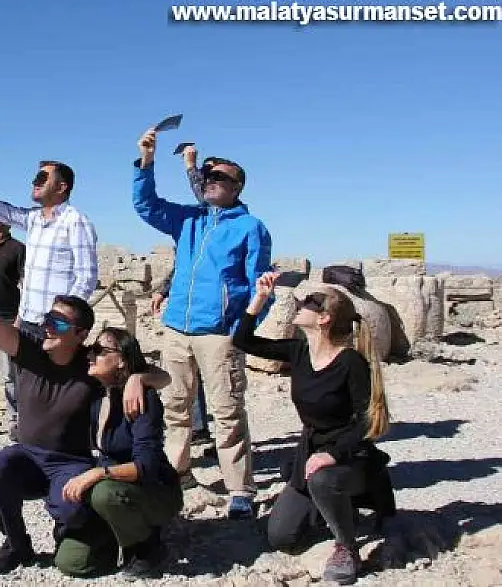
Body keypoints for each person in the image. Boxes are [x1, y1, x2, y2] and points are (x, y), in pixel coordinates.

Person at [0, 236, 168, 575]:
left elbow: (162, 377)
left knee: (73, 514)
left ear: (80, 333)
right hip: (28, 455)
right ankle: (17, 545)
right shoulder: (27, 349)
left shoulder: (91, 364)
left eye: (58, 323)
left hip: (69, 463)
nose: (47, 327)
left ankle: (89, 534)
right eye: (47, 319)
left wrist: (138, 379)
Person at [131, 127, 274, 519]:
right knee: (176, 407)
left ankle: (240, 490)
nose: (210, 181)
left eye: (219, 177)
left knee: (227, 412)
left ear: (237, 187)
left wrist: (240, 331)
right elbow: (146, 206)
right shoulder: (189, 219)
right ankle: (178, 474)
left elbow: (259, 285)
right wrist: (147, 161)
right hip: (177, 329)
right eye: (207, 176)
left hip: (218, 335)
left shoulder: (250, 228)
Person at [233, 273, 395, 586]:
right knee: (282, 536)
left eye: (310, 302)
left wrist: (332, 455)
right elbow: (243, 341)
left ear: (324, 318)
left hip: (349, 455)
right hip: (310, 451)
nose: (301, 304)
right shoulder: (298, 351)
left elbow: (368, 421)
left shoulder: (351, 363)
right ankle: (332, 504)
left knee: (322, 479)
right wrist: (260, 299)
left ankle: (347, 547)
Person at [52, 327, 184, 580]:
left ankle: (148, 547)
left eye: (99, 351)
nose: (91, 355)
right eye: (91, 350)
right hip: (113, 488)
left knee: (103, 493)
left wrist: (138, 378)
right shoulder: (97, 389)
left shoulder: (141, 399)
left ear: (121, 359)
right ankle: (116, 537)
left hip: (151, 489)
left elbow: (146, 467)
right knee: (72, 561)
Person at [0, 139, 99, 340]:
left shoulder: (75, 221)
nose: (35, 182)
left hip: (55, 327)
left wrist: (62, 321)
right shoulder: (33, 219)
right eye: (35, 178)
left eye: (42, 178)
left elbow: (86, 278)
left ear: (61, 187)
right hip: (27, 324)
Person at [152, 264, 213, 452]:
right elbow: (183, 264)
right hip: (184, 317)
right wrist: (164, 290)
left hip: (213, 316)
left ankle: (199, 427)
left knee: (225, 400)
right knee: (185, 379)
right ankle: (197, 427)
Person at [0, 214, 26, 441]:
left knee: (9, 374)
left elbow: (25, 284)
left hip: (7, 319)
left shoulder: (18, 249)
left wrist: (20, 318)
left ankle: (15, 419)